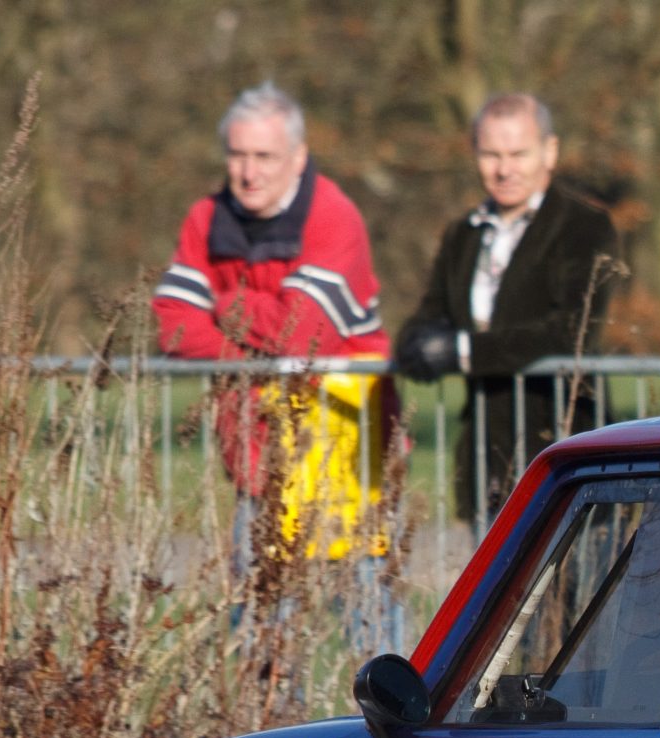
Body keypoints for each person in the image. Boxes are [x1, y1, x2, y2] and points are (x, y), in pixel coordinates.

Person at [152, 81, 391, 604]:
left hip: (341, 452)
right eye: (237, 155)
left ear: (298, 157)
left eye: (264, 155)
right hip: (254, 457)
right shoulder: (204, 219)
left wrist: (221, 305)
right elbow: (170, 324)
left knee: (368, 626)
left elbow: (302, 333)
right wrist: (258, 355)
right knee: (260, 628)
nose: (248, 171)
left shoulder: (334, 215)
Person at [395, 94, 623, 522]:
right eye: (491, 154)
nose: (504, 169)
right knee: (501, 592)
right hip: (487, 463)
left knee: (577, 589)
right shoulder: (463, 234)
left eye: (519, 154)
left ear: (549, 152)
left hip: (568, 459)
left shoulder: (584, 226)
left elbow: (572, 332)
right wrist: (418, 347)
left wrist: (462, 352)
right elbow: (424, 322)